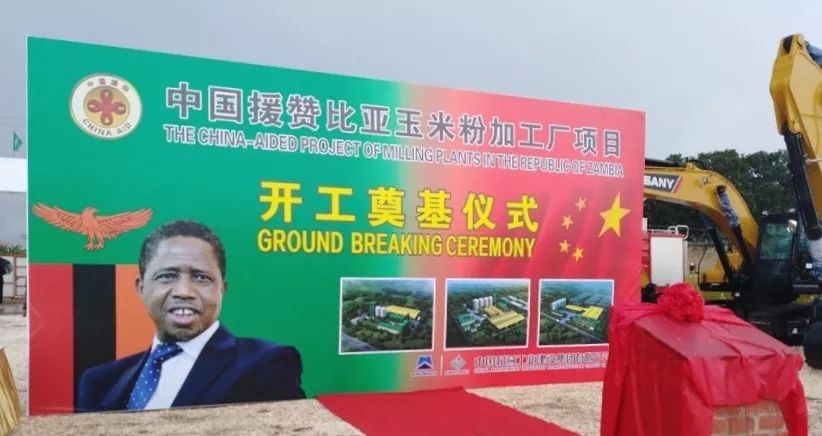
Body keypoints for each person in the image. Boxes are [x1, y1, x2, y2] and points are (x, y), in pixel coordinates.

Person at [76, 220, 305, 412]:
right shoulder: (99, 382)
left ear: (222, 289)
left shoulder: (266, 364)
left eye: (201, 277)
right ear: (141, 288)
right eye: (167, 276)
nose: (184, 292)